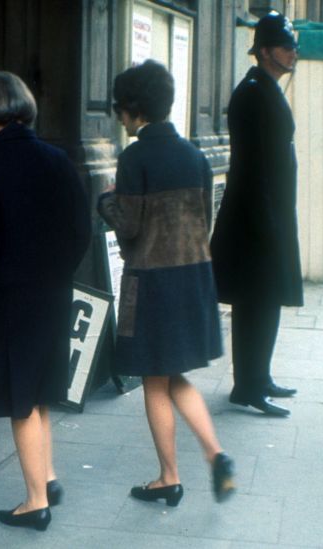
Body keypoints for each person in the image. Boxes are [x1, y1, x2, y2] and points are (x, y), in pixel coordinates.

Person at [97, 60, 235, 507]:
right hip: (193, 279)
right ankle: (214, 453)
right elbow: (203, 220)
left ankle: (169, 477)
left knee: (154, 382)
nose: (118, 116)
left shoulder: (135, 156)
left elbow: (130, 227)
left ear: (134, 108)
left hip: (152, 284)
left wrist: (106, 201)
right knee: (172, 374)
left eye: (120, 108)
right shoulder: (195, 156)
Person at [0, 71, 91, 530]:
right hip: (55, 291)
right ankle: (49, 477)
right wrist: (57, 272)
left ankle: (36, 501)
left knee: (19, 398)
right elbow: (82, 232)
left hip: (12, 293)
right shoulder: (58, 159)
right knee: (40, 391)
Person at [210, 11, 302, 418]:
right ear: (265, 52)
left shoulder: (264, 88)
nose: (293, 53)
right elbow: (253, 168)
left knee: (266, 300)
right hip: (256, 220)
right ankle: (246, 386)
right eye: (285, 47)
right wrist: (269, 226)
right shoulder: (253, 93)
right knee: (255, 301)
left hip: (268, 216)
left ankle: (258, 377)